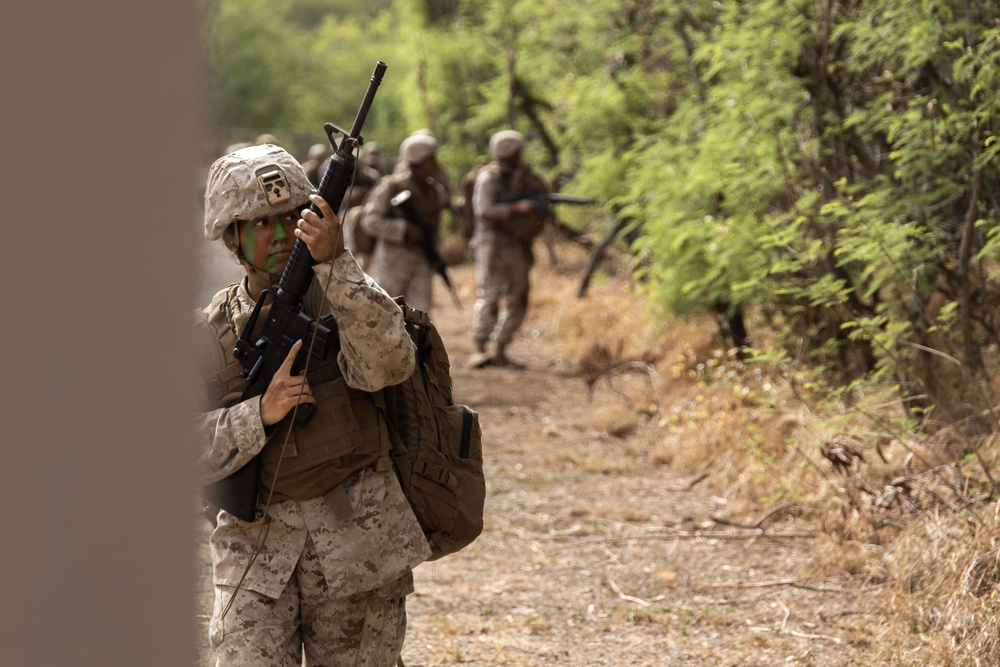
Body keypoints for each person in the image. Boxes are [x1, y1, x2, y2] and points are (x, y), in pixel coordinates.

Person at [195, 143, 430, 666]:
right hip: (255, 555)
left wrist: (338, 266)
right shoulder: (204, 335)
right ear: (232, 235)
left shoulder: (350, 297)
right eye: (259, 223)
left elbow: (390, 365)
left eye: (290, 218)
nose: (280, 236)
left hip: (358, 543)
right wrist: (257, 414)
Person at [468, 129, 551, 368]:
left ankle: (502, 347)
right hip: (492, 243)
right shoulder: (489, 178)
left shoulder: (525, 178)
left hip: (516, 244)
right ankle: (480, 347)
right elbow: (484, 210)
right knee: (490, 295)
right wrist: (516, 208)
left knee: (519, 294)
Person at [359, 131, 449, 312]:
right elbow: (369, 220)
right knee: (386, 312)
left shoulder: (436, 192)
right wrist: (403, 229)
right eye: (432, 158)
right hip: (392, 261)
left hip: (421, 261)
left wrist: (435, 255)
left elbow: (434, 227)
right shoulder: (390, 187)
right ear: (425, 161)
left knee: (421, 317)